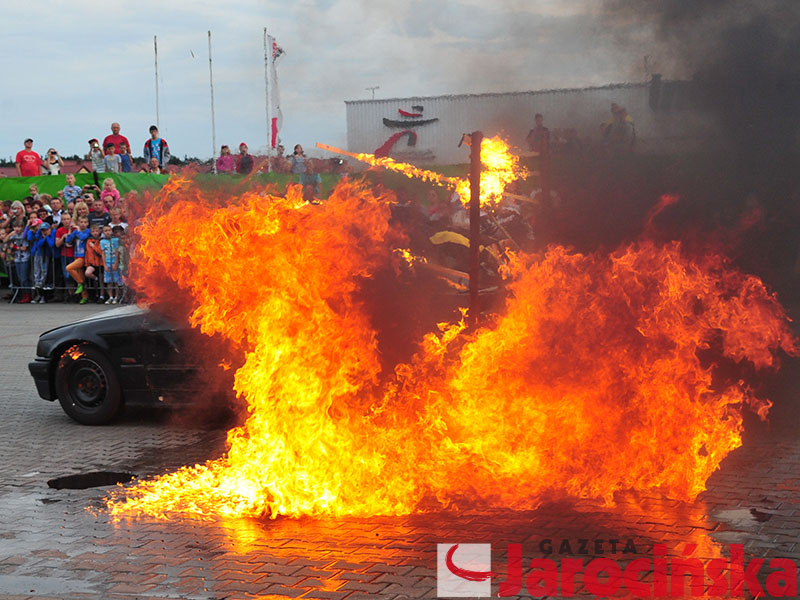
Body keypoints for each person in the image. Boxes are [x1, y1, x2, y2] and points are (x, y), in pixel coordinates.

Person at [65, 215, 92, 304]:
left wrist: (78, 231)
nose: (83, 224)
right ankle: (85, 296)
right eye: (81, 222)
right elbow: (68, 240)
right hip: (76, 255)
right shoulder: (76, 231)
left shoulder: (87, 231)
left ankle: (80, 283)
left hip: (83, 256)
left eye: (85, 222)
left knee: (69, 268)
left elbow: (83, 237)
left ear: (87, 224)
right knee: (80, 275)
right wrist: (70, 231)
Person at [28, 220, 55, 303]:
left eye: (46, 230)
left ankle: (43, 295)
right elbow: (39, 244)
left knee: (44, 274)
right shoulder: (39, 235)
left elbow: (51, 244)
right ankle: (38, 294)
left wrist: (46, 237)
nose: (45, 231)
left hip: (45, 256)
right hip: (38, 255)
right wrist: (43, 237)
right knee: (37, 273)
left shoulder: (51, 235)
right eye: (43, 230)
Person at [8, 219, 31, 303]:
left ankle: (27, 294)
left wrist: (14, 247)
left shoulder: (23, 236)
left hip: (24, 258)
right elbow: (7, 242)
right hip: (17, 258)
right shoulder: (14, 236)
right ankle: (23, 294)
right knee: (20, 277)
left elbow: (24, 248)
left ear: (22, 228)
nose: (17, 229)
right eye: (15, 227)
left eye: (19, 227)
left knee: (24, 277)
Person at [100, 224, 120, 304]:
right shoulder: (102, 241)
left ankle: (116, 297)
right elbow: (103, 253)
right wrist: (104, 265)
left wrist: (116, 263)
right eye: (105, 231)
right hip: (107, 262)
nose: (107, 232)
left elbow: (117, 252)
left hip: (114, 261)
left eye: (109, 230)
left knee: (116, 281)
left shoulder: (115, 240)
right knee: (109, 281)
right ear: (103, 232)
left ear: (111, 231)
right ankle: (110, 297)